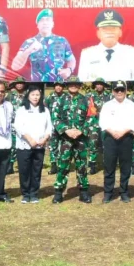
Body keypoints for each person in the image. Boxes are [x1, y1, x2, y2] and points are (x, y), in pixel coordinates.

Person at [51, 76, 92, 204]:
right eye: (71, 84)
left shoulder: (86, 100)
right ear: (67, 86)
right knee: (63, 165)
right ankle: (58, 192)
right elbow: (55, 118)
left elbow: (91, 117)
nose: (73, 86)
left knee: (82, 166)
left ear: (79, 86)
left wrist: (81, 131)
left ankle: (83, 192)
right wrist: (66, 130)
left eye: (76, 84)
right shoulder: (60, 100)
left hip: (81, 139)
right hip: (65, 139)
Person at [99, 81, 134, 203]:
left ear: (126, 91)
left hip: (126, 138)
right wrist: (113, 132)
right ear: (113, 91)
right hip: (110, 138)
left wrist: (122, 132)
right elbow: (102, 122)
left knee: (125, 167)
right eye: (117, 90)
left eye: (122, 89)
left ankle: (124, 192)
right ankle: (108, 193)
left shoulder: (132, 105)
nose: (119, 92)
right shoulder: (107, 105)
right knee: (109, 166)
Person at [12, 9, 76, 82]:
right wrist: (29, 50)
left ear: (52, 24)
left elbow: (71, 60)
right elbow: (15, 66)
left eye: (48, 20)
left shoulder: (62, 41)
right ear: (38, 25)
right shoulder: (29, 42)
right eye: (42, 20)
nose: (45, 23)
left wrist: (69, 70)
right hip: (38, 87)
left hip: (58, 86)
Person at [78, 9, 134, 81]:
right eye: (104, 28)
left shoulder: (130, 53)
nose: (109, 32)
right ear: (98, 33)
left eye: (113, 28)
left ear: (120, 32)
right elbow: (82, 83)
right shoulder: (87, 54)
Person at [13, 85, 52, 203]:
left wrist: (45, 138)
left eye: (38, 95)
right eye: (33, 95)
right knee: (24, 170)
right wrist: (30, 140)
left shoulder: (45, 110)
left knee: (36, 170)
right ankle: (25, 194)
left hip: (40, 145)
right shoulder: (22, 109)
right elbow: (18, 126)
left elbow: (49, 127)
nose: (35, 97)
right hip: (24, 145)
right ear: (28, 96)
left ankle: (34, 193)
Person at [86, 77, 111, 175]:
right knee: (93, 144)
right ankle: (92, 165)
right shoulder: (89, 96)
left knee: (106, 144)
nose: (99, 86)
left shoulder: (109, 96)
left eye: (101, 84)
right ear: (95, 85)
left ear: (104, 85)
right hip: (93, 124)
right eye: (97, 84)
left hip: (106, 124)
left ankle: (107, 165)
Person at [45, 80, 65, 175]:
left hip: (63, 126)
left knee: (62, 146)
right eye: (57, 86)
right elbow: (45, 110)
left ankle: (62, 166)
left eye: (60, 86)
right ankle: (53, 166)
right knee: (52, 146)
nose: (58, 87)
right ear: (54, 87)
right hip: (52, 126)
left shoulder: (66, 97)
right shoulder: (49, 97)